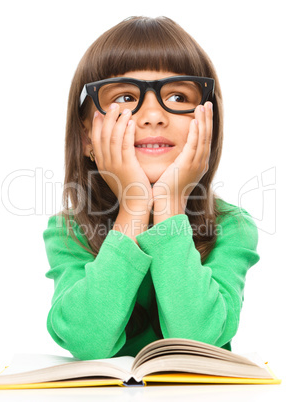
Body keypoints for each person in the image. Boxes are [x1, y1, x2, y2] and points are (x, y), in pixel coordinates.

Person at [43, 16, 260, 361]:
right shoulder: (69, 231)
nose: (153, 115)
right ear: (87, 139)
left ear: (207, 127)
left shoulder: (232, 227)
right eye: (126, 97)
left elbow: (199, 343)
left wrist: (170, 205)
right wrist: (134, 207)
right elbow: (85, 342)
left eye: (177, 96)